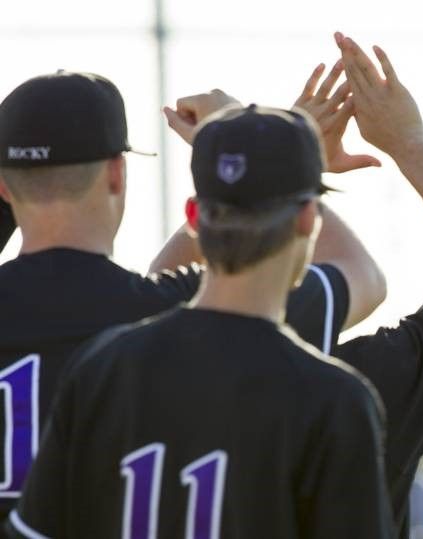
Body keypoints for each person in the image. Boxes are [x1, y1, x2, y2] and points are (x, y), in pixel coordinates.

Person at [158, 33, 423, 537]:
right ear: (308, 221)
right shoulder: (355, 394)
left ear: (193, 220)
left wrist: (267, 147)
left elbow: (151, 292)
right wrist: (409, 141)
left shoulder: (110, 366)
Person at [0, 70, 385, 521]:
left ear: (5, 188)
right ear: (116, 174)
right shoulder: (160, 310)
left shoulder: (143, 324)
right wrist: (266, 155)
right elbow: (363, 276)